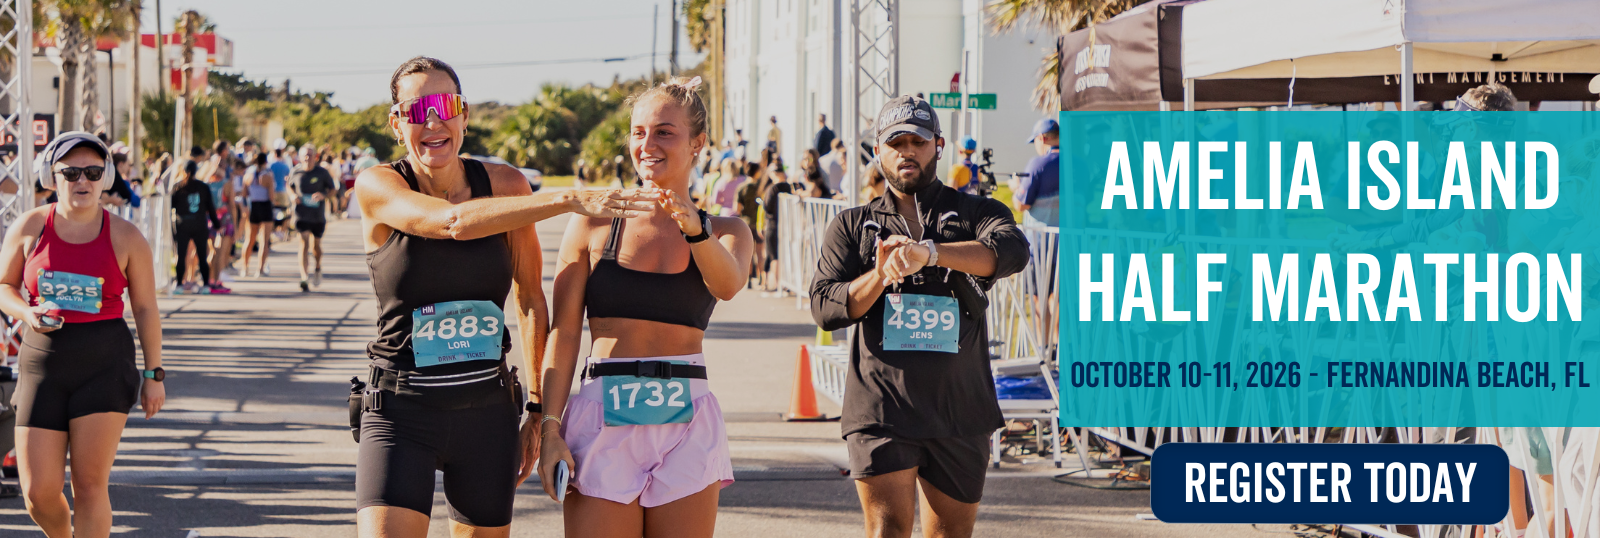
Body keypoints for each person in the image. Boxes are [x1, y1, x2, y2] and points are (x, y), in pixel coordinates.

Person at [353, 56, 656, 538]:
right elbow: (449, 223)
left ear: (465, 114)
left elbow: (531, 299)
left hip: (486, 413)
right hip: (401, 410)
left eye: (444, 104)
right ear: (396, 123)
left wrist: (536, 409)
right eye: (415, 110)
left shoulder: (507, 185)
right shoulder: (378, 185)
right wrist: (566, 198)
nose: (432, 121)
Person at [538, 75, 753, 538]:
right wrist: (550, 428)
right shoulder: (593, 223)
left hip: (687, 417)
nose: (647, 144)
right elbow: (565, 333)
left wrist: (695, 228)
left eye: (664, 132)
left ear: (697, 144)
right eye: (638, 132)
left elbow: (728, 284)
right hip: (601, 414)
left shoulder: (728, 230)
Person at [809, 95, 1030, 538]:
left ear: (939, 146)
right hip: (881, 408)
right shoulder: (853, 226)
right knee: (888, 530)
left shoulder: (976, 212)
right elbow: (825, 305)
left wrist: (929, 254)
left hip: (960, 409)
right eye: (896, 143)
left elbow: (1013, 251)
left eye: (918, 141)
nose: (907, 151)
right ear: (878, 151)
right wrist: (879, 275)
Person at [0, 132, 165, 537]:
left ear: (105, 177)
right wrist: (28, 312)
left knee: (90, 487)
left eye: (93, 172)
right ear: (51, 177)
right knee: (38, 492)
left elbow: (145, 308)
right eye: (70, 172)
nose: (82, 181)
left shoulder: (127, 236)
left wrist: (154, 374)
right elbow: (4, 287)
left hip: (104, 364)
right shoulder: (29, 226)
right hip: (43, 361)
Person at [170, 159, 221, 294]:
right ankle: (205, 285)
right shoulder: (203, 187)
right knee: (202, 255)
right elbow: (210, 207)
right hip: (200, 224)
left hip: (183, 224)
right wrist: (217, 224)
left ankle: (179, 284)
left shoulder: (178, 187)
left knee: (181, 255)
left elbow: (171, 206)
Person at [290, 145, 334, 292]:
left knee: (315, 246)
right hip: (301, 214)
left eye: (310, 155)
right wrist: (292, 195)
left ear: (315, 157)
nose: (307, 158)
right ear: (300, 157)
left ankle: (317, 266)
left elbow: (333, 189)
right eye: (305, 155)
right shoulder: (296, 171)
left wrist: (323, 195)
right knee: (303, 242)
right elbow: (288, 185)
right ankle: (304, 277)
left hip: (317, 216)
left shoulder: (322, 173)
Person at [760, 161, 794, 292]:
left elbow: (766, 207)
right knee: (783, 255)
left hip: (773, 225)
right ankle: (782, 283)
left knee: (774, 255)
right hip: (786, 225)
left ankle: (777, 283)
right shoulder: (789, 187)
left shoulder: (772, 189)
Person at [1018, 119, 1060, 227]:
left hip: (1042, 241)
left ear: (1041, 138)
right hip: (1074, 241)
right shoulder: (1081, 164)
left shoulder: (1037, 164)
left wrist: (1017, 187)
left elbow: (1021, 205)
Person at [202, 158, 235, 294]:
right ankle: (215, 281)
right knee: (219, 252)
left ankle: (211, 280)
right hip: (222, 219)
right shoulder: (226, 184)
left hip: (209, 219)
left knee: (213, 252)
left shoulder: (205, 182)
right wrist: (235, 223)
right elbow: (231, 205)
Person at [240, 152, 275, 277]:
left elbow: (244, 194)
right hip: (265, 206)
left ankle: (245, 268)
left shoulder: (248, 175)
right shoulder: (268, 176)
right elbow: (271, 196)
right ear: (265, 162)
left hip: (253, 207)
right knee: (264, 241)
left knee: (249, 239)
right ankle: (259, 269)